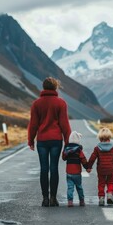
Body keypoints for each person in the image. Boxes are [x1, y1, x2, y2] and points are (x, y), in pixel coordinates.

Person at [28, 77, 71, 207]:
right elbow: (65, 125)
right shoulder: (61, 103)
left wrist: (31, 140)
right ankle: (53, 198)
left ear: (44, 87)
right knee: (54, 169)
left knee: (44, 169)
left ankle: (45, 199)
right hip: (56, 140)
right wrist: (68, 143)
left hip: (42, 140)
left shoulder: (37, 103)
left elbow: (33, 124)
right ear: (55, 87)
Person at [87, 127, 113, 206]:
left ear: (100, 138)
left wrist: (89, 167)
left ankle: (101, 198)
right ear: (109, 138)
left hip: (101, 169)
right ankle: (109, 195)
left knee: (101, 183)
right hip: (111, 169)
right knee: (110, 182)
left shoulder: (97, 148)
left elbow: (92, 158)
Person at [62, 131, 88, 207]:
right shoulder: (79, 150)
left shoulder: (67, 149)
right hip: (77, 173)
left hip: (69, 172)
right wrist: (87, 167)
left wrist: (64, 148)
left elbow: (63, 158)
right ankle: (81, 201)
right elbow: (83, 159)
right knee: (79, 187)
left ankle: (70, 201)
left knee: (70, 187)